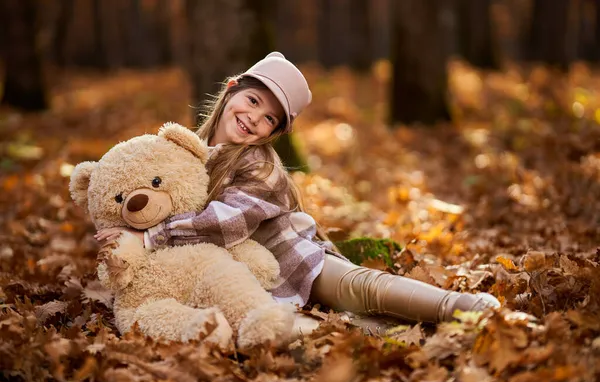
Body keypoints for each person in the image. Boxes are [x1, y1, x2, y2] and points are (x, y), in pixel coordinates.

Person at [96, 52, 500, 335]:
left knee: (359, 288)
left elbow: (229, 222)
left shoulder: (260, 163)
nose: (253, 118)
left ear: (275, 133)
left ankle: (463, 307)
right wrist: (122, 235)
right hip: (235, 277)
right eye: (252, 100)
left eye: (269, 118)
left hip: (291, 256)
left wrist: (151, 237)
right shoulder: (185, 149)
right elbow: (148, 195)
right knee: (350, 323)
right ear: (232, 89)